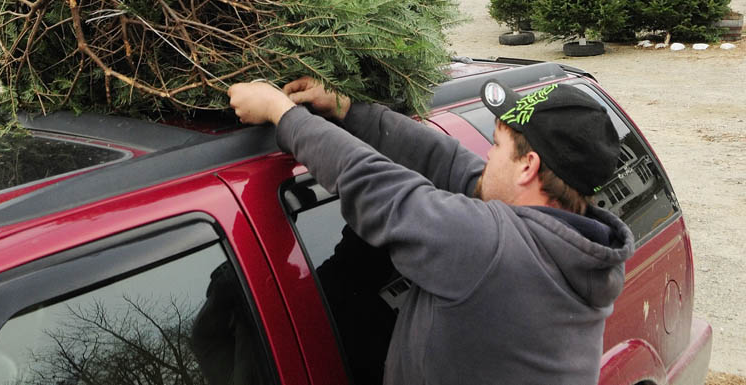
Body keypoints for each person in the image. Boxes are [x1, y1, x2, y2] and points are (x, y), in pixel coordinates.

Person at [227, 76, 635, 385]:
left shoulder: (493, 249)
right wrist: (349, 111)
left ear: (527, 167)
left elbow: (378, 188)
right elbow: (454, 166)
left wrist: (283, 114)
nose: (485, 156)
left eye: (496, 145)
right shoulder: (577, 246)